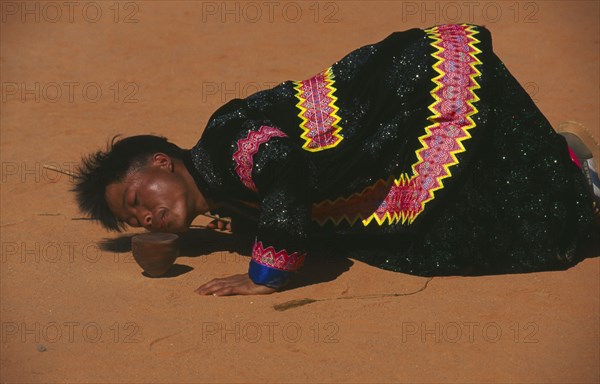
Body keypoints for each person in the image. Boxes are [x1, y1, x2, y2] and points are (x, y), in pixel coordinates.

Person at [73, 24, 600, 296]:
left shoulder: (224, 144)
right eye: (134, 218)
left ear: (163, 163)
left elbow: (283, 169)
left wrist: (265, 273)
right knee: (420, 240)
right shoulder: (220, 189)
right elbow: (267, 201)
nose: (145, 217)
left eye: (139, 198)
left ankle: (579, 177)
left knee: (541, 233)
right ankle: (565, 154)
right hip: (398, 130)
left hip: (428, 91)